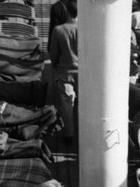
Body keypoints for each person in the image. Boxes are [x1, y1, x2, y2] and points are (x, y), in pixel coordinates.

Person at [49, 0, 78, 144]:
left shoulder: (59, 30)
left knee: (67, 106)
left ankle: (69, 134)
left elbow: (53, 53)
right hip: (83, 73)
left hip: (65, 73)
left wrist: (54, 67)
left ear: (67, 11)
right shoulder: (86, 29)